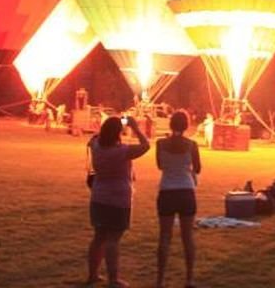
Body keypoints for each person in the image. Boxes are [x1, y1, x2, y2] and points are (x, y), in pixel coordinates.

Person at [86, 115, 150, 287]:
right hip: (118, 199)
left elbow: (94, 139)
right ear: (118, 133)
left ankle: (92, 274)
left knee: (98, 237)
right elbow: (146, 145)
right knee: (113, 239)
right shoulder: (122, 151)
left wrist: (112, 125)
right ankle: (113, 279)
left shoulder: (96, 146)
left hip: (99, 197)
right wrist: (135, 127)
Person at [155, 110, 200, 288]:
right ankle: (189, 279)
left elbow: (160, 166)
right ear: (186, 125)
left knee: (164, 237)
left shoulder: (160, 144)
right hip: (186, 191)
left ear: (171, 124)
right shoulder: (192, 145)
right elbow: (198, 168)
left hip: (167, 191)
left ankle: (160, 280)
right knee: (187, 237)